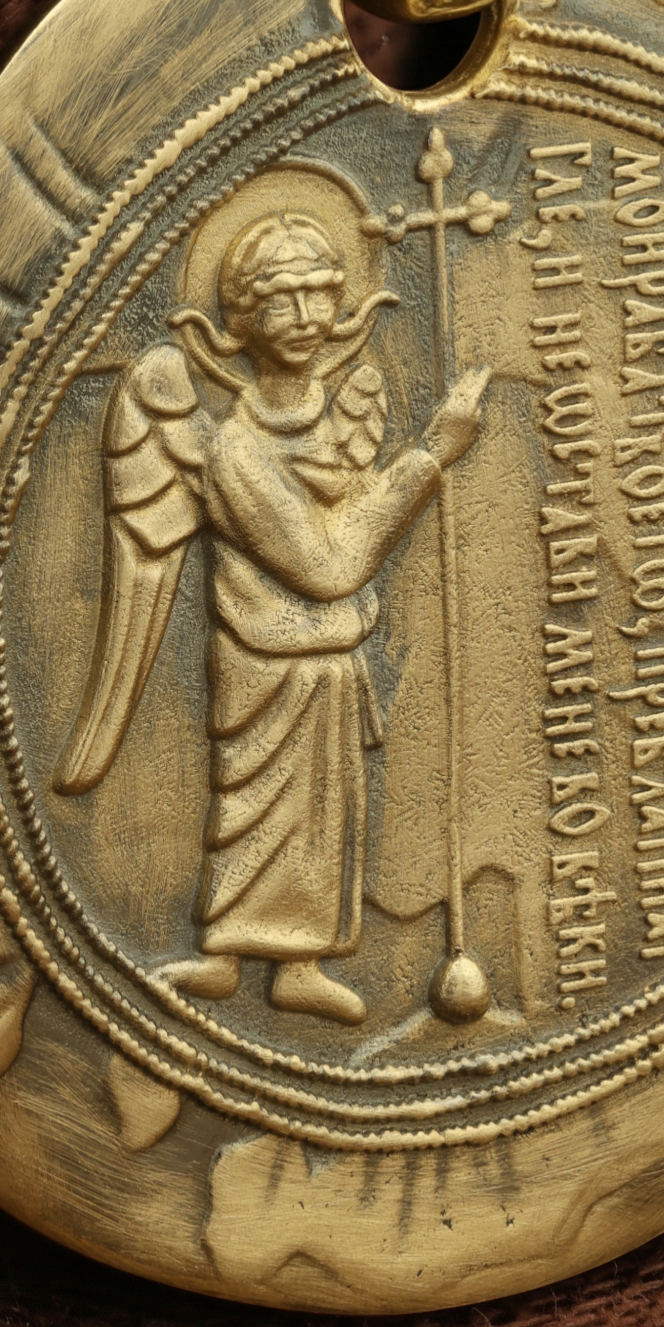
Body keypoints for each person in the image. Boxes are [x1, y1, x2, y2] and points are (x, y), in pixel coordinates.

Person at [157, 212, 488, 1024]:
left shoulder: (337, 410)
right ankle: (225, 954)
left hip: (332, 663)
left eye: (319, 294)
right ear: (239, 322)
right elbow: (327, 567)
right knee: (259, 809)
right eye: (281, 299)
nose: (305, 316)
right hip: (267, 664)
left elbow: (350, 514)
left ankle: (298, 966)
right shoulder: (234, 451)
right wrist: (430, 458)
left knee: (326, 818)